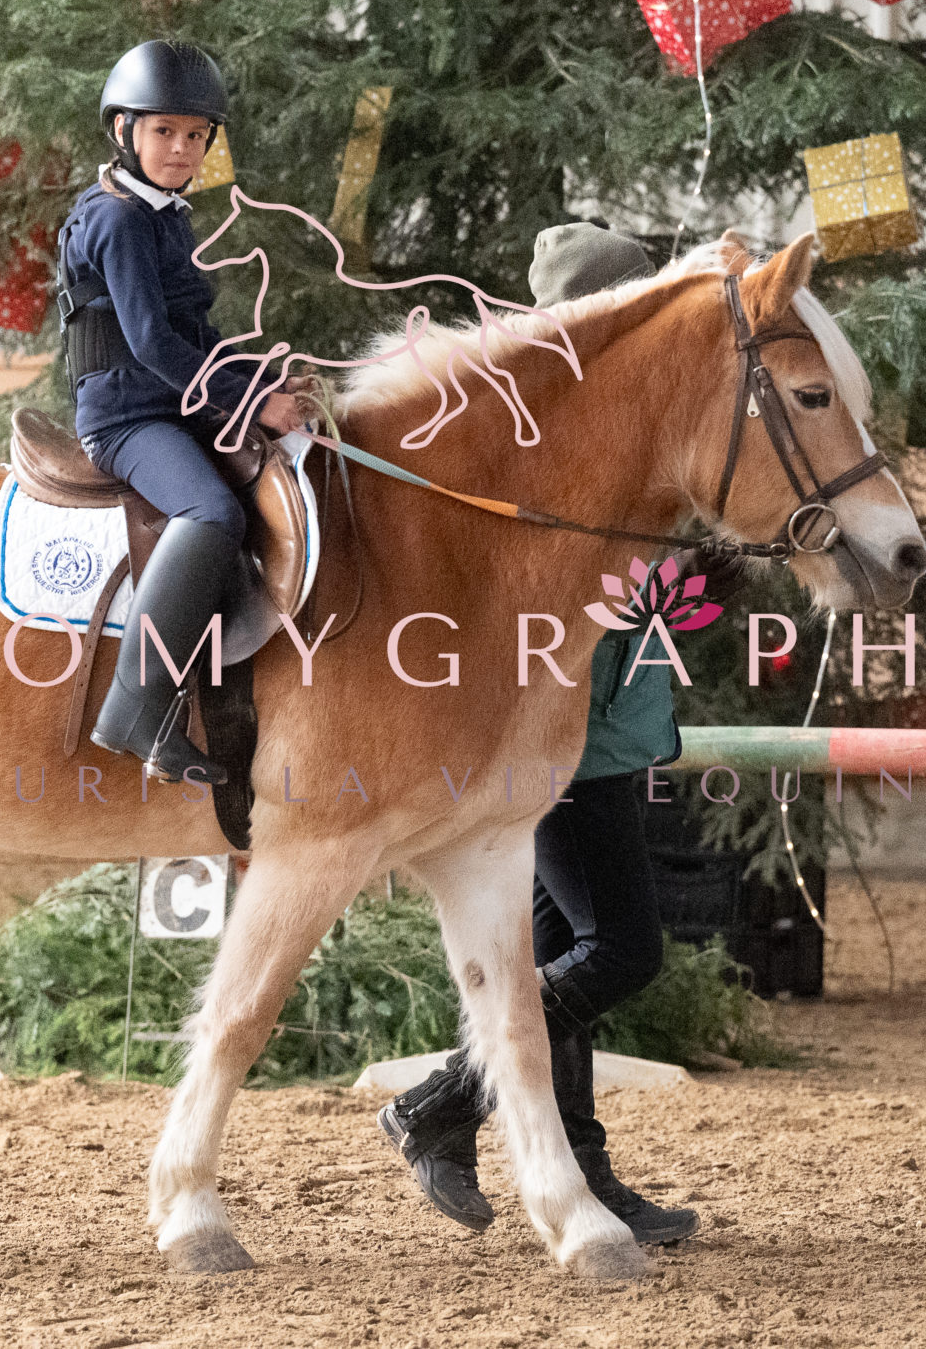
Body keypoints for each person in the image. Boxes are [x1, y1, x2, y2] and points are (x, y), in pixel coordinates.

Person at [376, 220, 701, 1247]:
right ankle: (440, 1102)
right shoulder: (544, 433)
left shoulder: (608, 424)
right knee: (621, 949)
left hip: (597, 729)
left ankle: (583, 1173)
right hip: (558, 737)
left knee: (562, 952)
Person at [57, 40, 316, 784]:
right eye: (164, 131)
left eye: (196, 135)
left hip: (171, 403)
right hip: (126, 418)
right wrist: (252, 400)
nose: (181, 149)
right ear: (124, 130)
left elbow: (194, 336)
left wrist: (264, 377)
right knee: (211, 512)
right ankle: (135, 709)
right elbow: (152, 344)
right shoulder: (118, 220)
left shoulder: (164, 213)